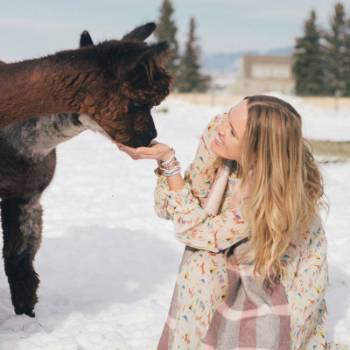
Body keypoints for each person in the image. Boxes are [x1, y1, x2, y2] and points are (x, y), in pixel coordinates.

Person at [115, 95, 339, 350]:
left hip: (276, 275)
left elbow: (193, 230)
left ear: (256, 153)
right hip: (232, 249)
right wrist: (164, 160)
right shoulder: (217, 136)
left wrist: (169, 163)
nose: (220, 128)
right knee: (199, 265)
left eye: (232, 132)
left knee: (203, 265)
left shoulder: (270, 195)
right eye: (227, 116)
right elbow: (170, 210)